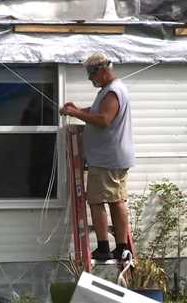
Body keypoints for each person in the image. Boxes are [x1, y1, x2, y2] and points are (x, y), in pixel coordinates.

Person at [60, 52, 135, 261]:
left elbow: (104, 119)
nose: (89, 79)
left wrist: (75, 114)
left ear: (102, 71)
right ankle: (120, 247)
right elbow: (97, 111)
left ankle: (104, 247)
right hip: (113, 157)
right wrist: (77, 109)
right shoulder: (110, 90)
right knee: (116, 199)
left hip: (107, 160)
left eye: (91, 75)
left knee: (97, 201)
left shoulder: (112, 92)